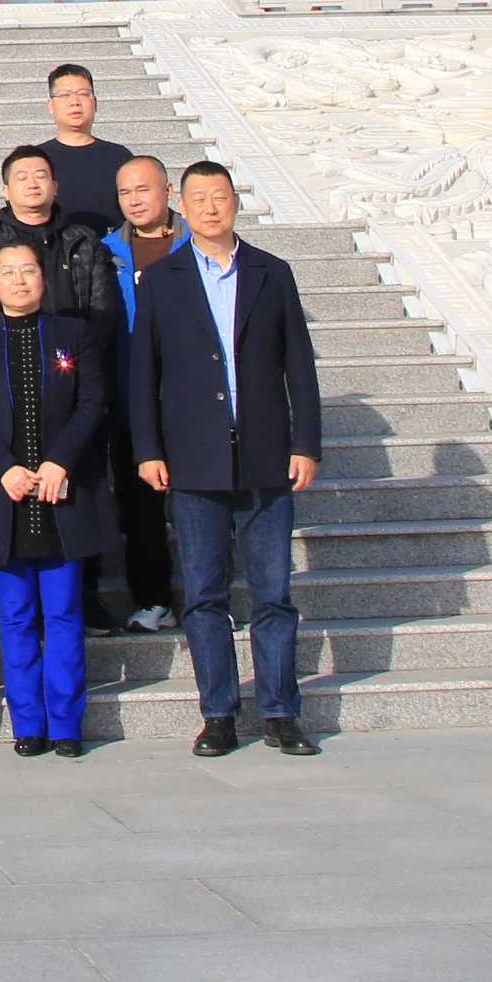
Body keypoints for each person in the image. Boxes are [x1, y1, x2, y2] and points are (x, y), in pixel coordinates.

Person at [131, 158, 324, 759]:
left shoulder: (272, 272)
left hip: (266, 455)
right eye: (198, 198)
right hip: (193, 460)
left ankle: (280, 711)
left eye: (220, 196)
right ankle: (218, 714)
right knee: (205, 595)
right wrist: (148, 450)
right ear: (181, 206)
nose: (210, 208)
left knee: (273, 594)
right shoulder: (160, 280)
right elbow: (143, 374)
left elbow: (300, 366)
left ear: (235, 202)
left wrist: (306, 443)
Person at [0, 237, 118, 759]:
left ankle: (66, 724)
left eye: (28, 270)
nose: (19, 280)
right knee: (15, 617)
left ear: (44, 278)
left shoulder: (73, 334)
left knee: (63, 613)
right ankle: (28, 723)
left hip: (62, 495)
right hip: (8, 498)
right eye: (8, 272)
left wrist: (60, 461)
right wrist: (4, 468)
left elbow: (93, 401)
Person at [100, 155, 183, 633]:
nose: (134, 200)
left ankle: (213, 599)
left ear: (168, 192)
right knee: (140, 507)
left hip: (192, 396)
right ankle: (153, 599)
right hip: (132, 394)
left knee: (202, 503)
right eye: (125, 192)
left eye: (143, 189)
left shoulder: (196, 244)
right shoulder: (108, 252)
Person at [0, 142, 125, 352]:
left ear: (55, 186)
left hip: (81, 354)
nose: (32, 184)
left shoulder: (83, 239)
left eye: (40, 176)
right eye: (22, 178)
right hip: (16, 357)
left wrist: (81, 353)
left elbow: (102, 309)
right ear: (6, 192)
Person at [32, 61, 141, 241]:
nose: (75, 102)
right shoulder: (36, 159)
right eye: (65, 95)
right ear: (51, 105)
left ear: (95, 103)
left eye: (83, 94)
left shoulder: (120, 157)